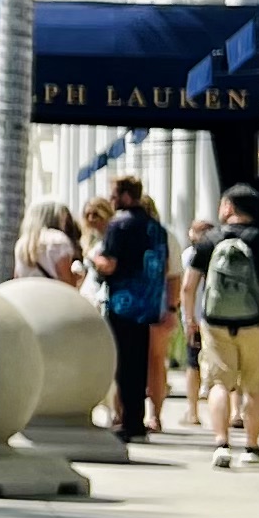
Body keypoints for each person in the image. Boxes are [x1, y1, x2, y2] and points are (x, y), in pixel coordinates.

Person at [191, 184, 259, 466]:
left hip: (216, 324)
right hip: (256, 324)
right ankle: (251, 449)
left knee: (218, 384)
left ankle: (221, 444)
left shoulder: (209, 240)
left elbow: (188, 287)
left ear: (228, 207)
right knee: (254, 387)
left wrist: (188, 320)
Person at [88, 173, 167, 446]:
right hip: (147, 303)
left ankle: (128, 420)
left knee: (122, 364)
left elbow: (108, 264)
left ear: (124, 195)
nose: (111, 200)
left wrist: (94, 259)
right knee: (140, 362)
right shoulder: (155, 228)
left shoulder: (118, 225)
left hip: (122, 302)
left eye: (113, 195)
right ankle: (137, 420)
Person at [140, 181, 178, 432]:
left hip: (135, 307)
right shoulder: (166, 237)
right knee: (156, 362)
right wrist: (172, 309)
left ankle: (129, 413)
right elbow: (175, 276)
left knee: (132, 362)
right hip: (159, 306)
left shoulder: (123, 232)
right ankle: (155, 415)